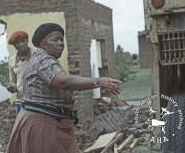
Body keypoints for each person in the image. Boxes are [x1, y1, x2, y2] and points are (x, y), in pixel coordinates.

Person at [7, 23, 121, 153]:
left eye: (61, 39)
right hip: (43, 124)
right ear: (43, 44)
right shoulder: (43, 60)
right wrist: (98, 81)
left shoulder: (43, 59)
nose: (60, 43)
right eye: (55, 40)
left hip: (51, 122)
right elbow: (64, 81)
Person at [7, 30, 33, 114]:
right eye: (17, 43)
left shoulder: (37, 55)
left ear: (27, 41)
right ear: (14, 46)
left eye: (23, 41)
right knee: (23, 126)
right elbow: (13, 82)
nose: (21, 44)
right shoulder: (12, 61)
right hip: (21, 101)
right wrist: (12, 87)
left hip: (38, 101)